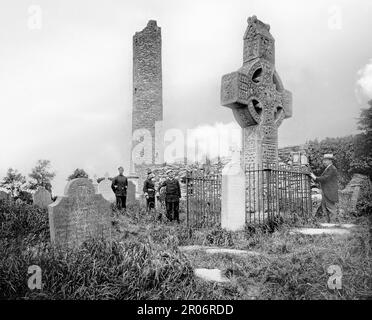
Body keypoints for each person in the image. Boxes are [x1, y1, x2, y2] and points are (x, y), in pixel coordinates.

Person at [310, 154, 339, 222]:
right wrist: (315, 182)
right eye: (324, 160)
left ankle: (334, 224)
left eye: (325, 160)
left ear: (330, 161)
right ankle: (328, 223)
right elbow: (325, 180)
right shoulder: (328, 168)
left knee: (331, 208)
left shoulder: (332, 168)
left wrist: (314, 177)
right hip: (326, 191)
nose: (324, 162)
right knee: (324, 208)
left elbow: (325, 178)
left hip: (329, 192)